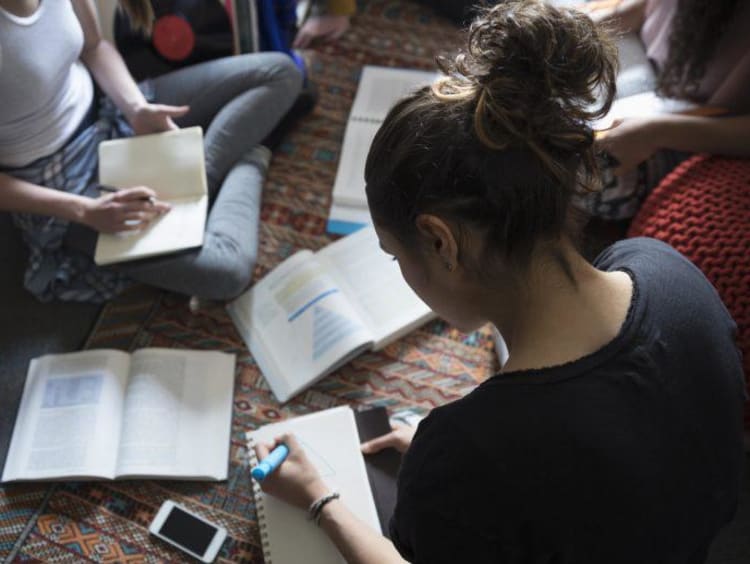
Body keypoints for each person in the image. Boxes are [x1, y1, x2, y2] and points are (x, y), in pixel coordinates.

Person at [253, 2, 746, 563]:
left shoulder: (467, 454)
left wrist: (319, 498)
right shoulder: (669, 271)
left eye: (395, 256)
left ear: (442, 241)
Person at [0, 0, 303, 302]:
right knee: (228, 272)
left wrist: (136, 108)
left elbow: (94, 47)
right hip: (66, 187)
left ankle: (200, 180)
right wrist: (84, 211)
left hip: (108, 112)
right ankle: (253, 153)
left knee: (279, 72)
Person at [578, 0, 750, 219]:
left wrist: (654, 133)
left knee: (589, 172)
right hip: (645, 63)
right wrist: (593, 25)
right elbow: (645, 8)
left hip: (704, 125)